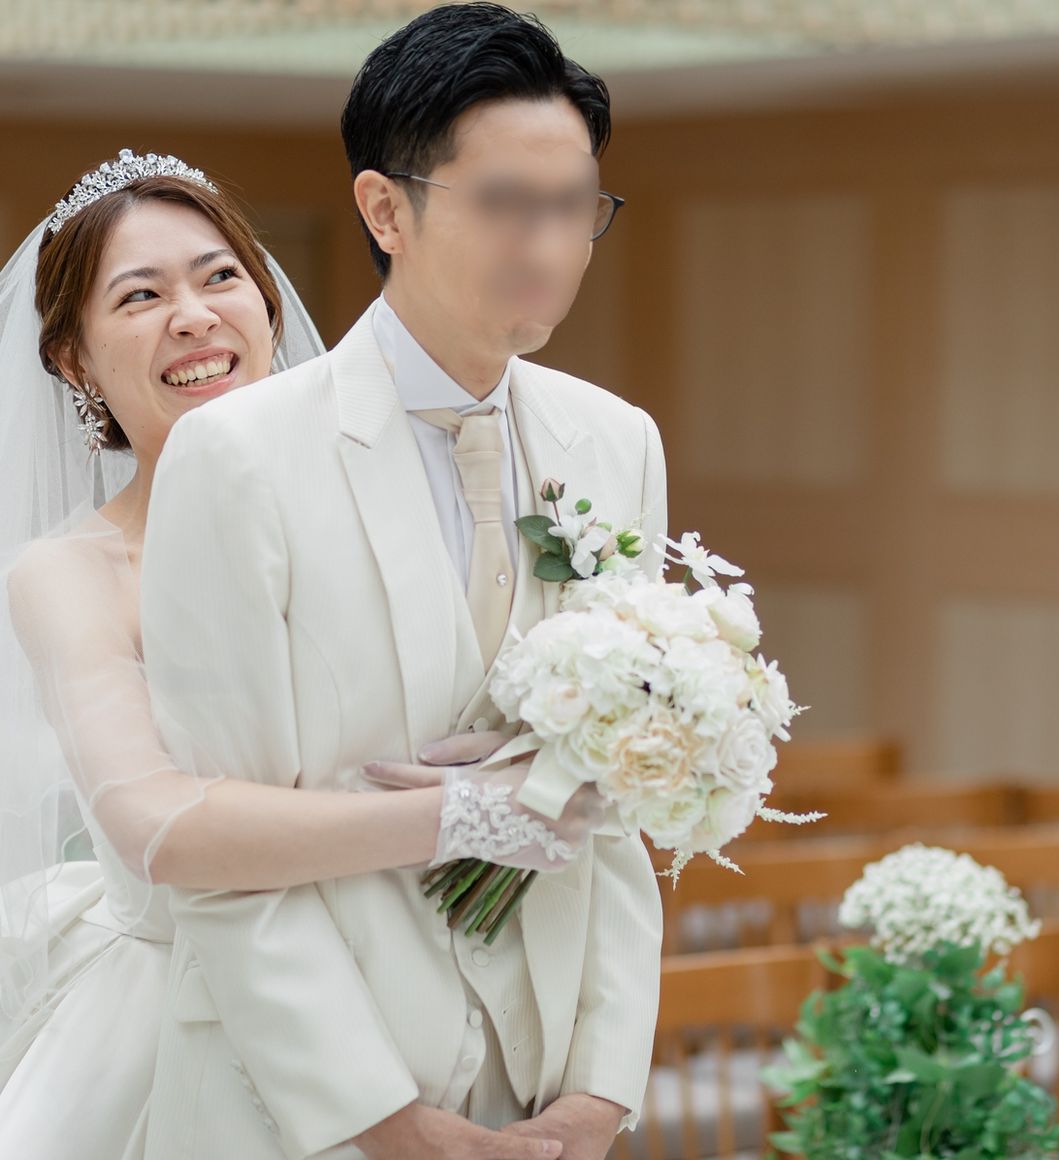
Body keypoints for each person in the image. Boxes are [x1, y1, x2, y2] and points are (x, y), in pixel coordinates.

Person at [139, 5, 668, 1159]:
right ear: (386, 209)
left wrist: (600, 1090)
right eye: (506, 203)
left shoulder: (616, 441)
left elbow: (613, 804)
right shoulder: (237, 456)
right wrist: (383, 1119)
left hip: (541, 1092)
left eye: (575, 204)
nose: (547, 244)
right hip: (298, 1102)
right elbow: (221, 850)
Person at [0, 147, 599, 1160]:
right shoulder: (68, 573)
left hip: (415, 995)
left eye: (218, 276)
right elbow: (153, 820)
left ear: (268, 307)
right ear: (72, 360)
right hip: (180, 1024)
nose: (192, 315)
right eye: (140, 296)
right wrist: (466, 815)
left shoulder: (386, 505)